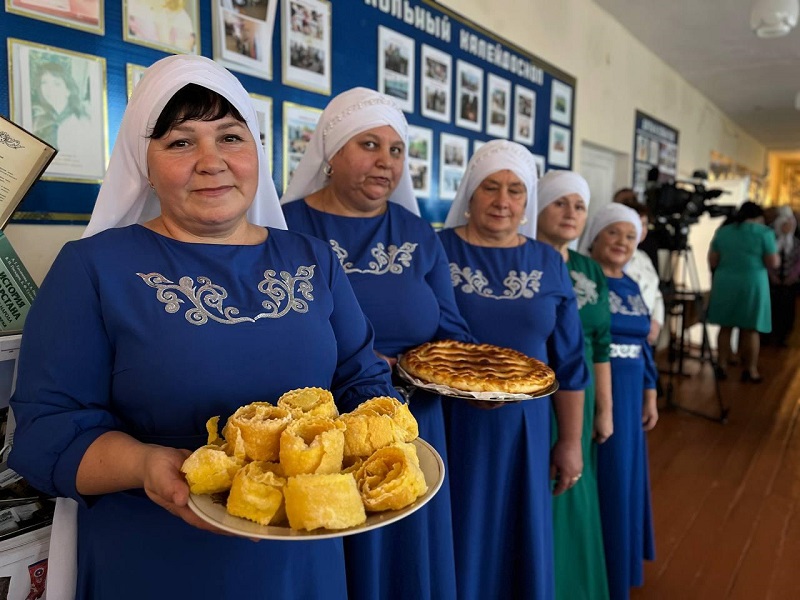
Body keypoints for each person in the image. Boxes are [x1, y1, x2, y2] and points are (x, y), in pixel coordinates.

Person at [8, 55, 399, 600]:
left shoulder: (312, 259)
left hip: (300, 555)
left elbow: (361, 381)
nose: (211, 162)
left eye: (231, 138)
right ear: (142, 162)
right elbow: (46, 433)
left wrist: (386, 439)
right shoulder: (94, 268)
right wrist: (146, 463)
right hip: (154, 556)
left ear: (256, 151)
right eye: (180, 142)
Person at [281, 87, 471, 600]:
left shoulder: (417, 233)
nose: (385, 162)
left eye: (395, 150)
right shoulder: (285, 227)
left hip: (411, 419)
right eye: (368, 144)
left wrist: (422, 366)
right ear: (331, 152)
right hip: (321, 428)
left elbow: (452, 334)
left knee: (405, 557)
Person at [438, 140, 589, 600]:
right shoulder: (436, 247)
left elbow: (569, 358)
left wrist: (569, 441)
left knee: (516, 533)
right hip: (447, 422)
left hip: (526, 426)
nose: (503, 201)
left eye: (516, 190)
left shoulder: (547, 261)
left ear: (528, 203)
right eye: (491, 187)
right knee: (456, 529)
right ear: (470, 194)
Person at [536, 170, 611, 600]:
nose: (570, 213)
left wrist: (606, 409)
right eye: (559, 202)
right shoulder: (522, 258)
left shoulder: (589, 270)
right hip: (533, 393)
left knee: (574, 487)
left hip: (578, 397)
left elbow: (600, 342)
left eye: (579, 206)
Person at [580, 203, 658, 600]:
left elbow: (644, 345)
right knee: (602, 476)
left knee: (624, 479)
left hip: (630, 395)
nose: (622, 243)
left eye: (630, 236)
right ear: (594, 235)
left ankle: (619, 565)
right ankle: (596, 570)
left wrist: (651, 391)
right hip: (596, 388)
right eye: (613, 233)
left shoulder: (630, 284)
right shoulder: (585, 283)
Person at [706, 201, 778, 382]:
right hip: (752, 282)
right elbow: (773, 262)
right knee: (751, 329)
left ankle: (721, 365)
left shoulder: (724, 232)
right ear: (758, 216)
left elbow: (713, 260)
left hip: (725, 282)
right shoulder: (765, 233)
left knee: (725, 327)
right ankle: (750, 370)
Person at [613, 193, 665, 346]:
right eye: (637, 223)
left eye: (644, 224)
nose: (641, 229)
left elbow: (656, 295)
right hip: (623, 334)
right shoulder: (614, 256)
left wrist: (656, 322)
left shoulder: (643, 257)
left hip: (645, 332)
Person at [767, 206, 800, 347]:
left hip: (790, 283)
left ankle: (783, 337)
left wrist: (792, 276)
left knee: (787, 311)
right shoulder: (772, 241)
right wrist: (772, 276)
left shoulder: (796, 243)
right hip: (772, 282)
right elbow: (767, 260)